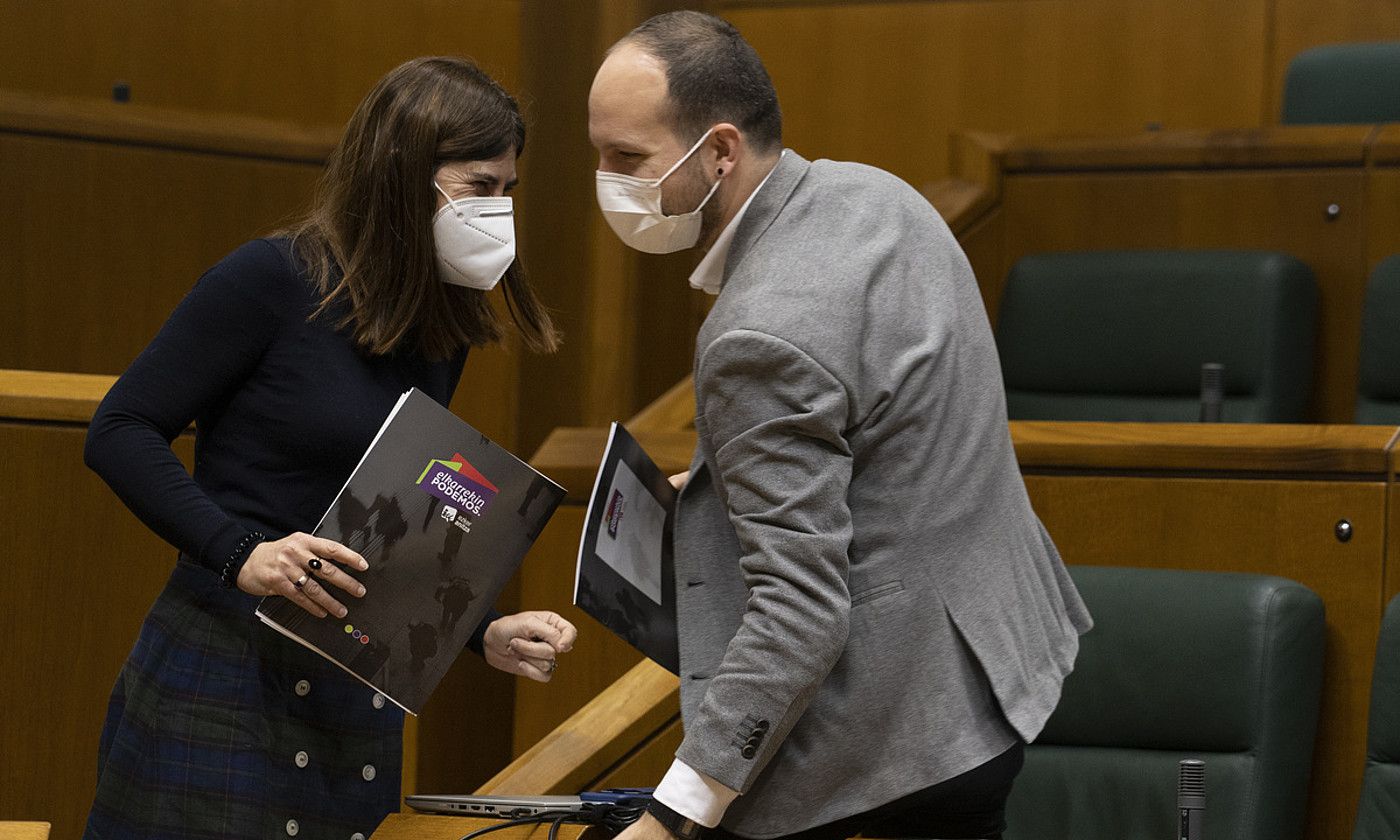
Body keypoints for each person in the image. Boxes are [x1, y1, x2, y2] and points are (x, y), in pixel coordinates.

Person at [588, 12, 1092, 840]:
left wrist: (672, 818)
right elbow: (887, 431)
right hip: (987, 682)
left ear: (719, 151)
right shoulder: (874, 195)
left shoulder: (758, 332)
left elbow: (801, 611)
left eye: (627, 159)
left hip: (887, 745)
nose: (606, 180)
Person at [82, 56, 577, 840]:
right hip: (225, 669)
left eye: (509, 189)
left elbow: (387, 517)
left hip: (350, 683)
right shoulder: (269, 279)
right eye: (482, 186)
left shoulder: (436, 320)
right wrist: (240, 550)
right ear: (404, 172)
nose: (500, 210)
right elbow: (118, 430)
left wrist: (480, 629)